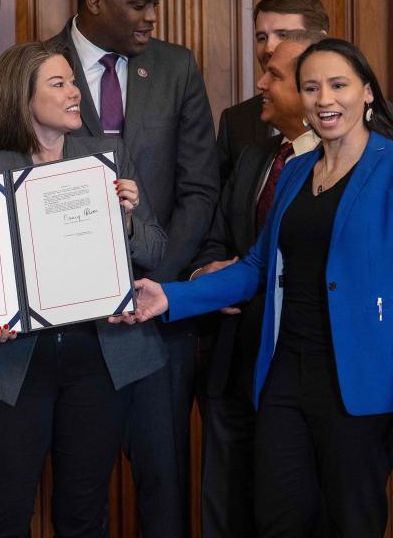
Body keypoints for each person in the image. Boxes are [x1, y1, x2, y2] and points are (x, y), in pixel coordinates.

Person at [113, 38, 393, 537]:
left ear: (367, 93)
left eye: (338, 85)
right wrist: (170, 296)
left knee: (354, 522)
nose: (324, 99)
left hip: (359, 379)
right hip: (284, 372)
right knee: (278, 519)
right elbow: (257, 266)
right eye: (311, 88)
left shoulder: (389, 168)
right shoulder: (298, 170)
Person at [0, 40, 168, 536]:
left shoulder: (107, 157)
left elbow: (156, 251)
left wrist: (130, 220)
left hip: (98, 361)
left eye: (73, 81)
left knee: (82, 515)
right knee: (4, 515)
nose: (76, 92)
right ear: (21, 98)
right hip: (11, 364)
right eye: (59, 84)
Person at [48, 0, 219, 534]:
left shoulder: (176, 66)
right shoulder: (36, 65)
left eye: (156, 4)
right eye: (138, 4)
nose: (151, 17)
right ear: (95, 1)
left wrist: (158, 280)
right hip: (68, 324)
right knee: (77, 492)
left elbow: (200, 189)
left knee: (164, 486)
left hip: (157, 317)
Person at [192, 31, 322, 537]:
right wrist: (207, 274)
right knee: (228, 510)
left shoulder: (346, 165)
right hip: (234, 367)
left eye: (274, 75)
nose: (260, 83)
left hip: (306, 371)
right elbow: (219, 237)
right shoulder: (256, 157)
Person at [216, 0, 329, 183]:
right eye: (262, 38)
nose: (269, 48)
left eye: (284, 35)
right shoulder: (236, 121)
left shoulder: (360, 123)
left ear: (319, 40)